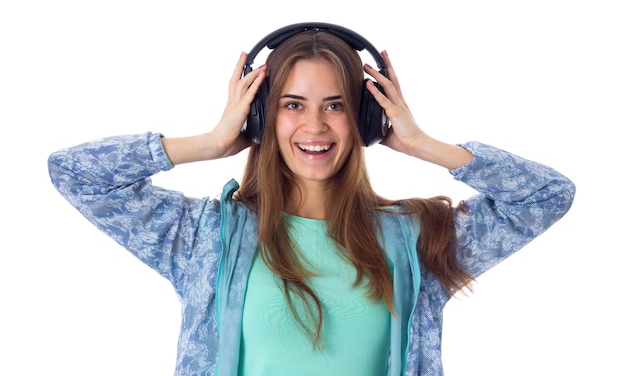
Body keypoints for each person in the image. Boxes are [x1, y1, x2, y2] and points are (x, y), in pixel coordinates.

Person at [48, 23, 575, 376]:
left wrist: (422, 144)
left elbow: (547, 197)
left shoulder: (419, 242)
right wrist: (209, 143)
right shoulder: (205, 239)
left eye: (337, 105)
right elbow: (74, 174)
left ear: (367, 119)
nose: (314, 126)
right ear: (261, 116)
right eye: (292, 104)